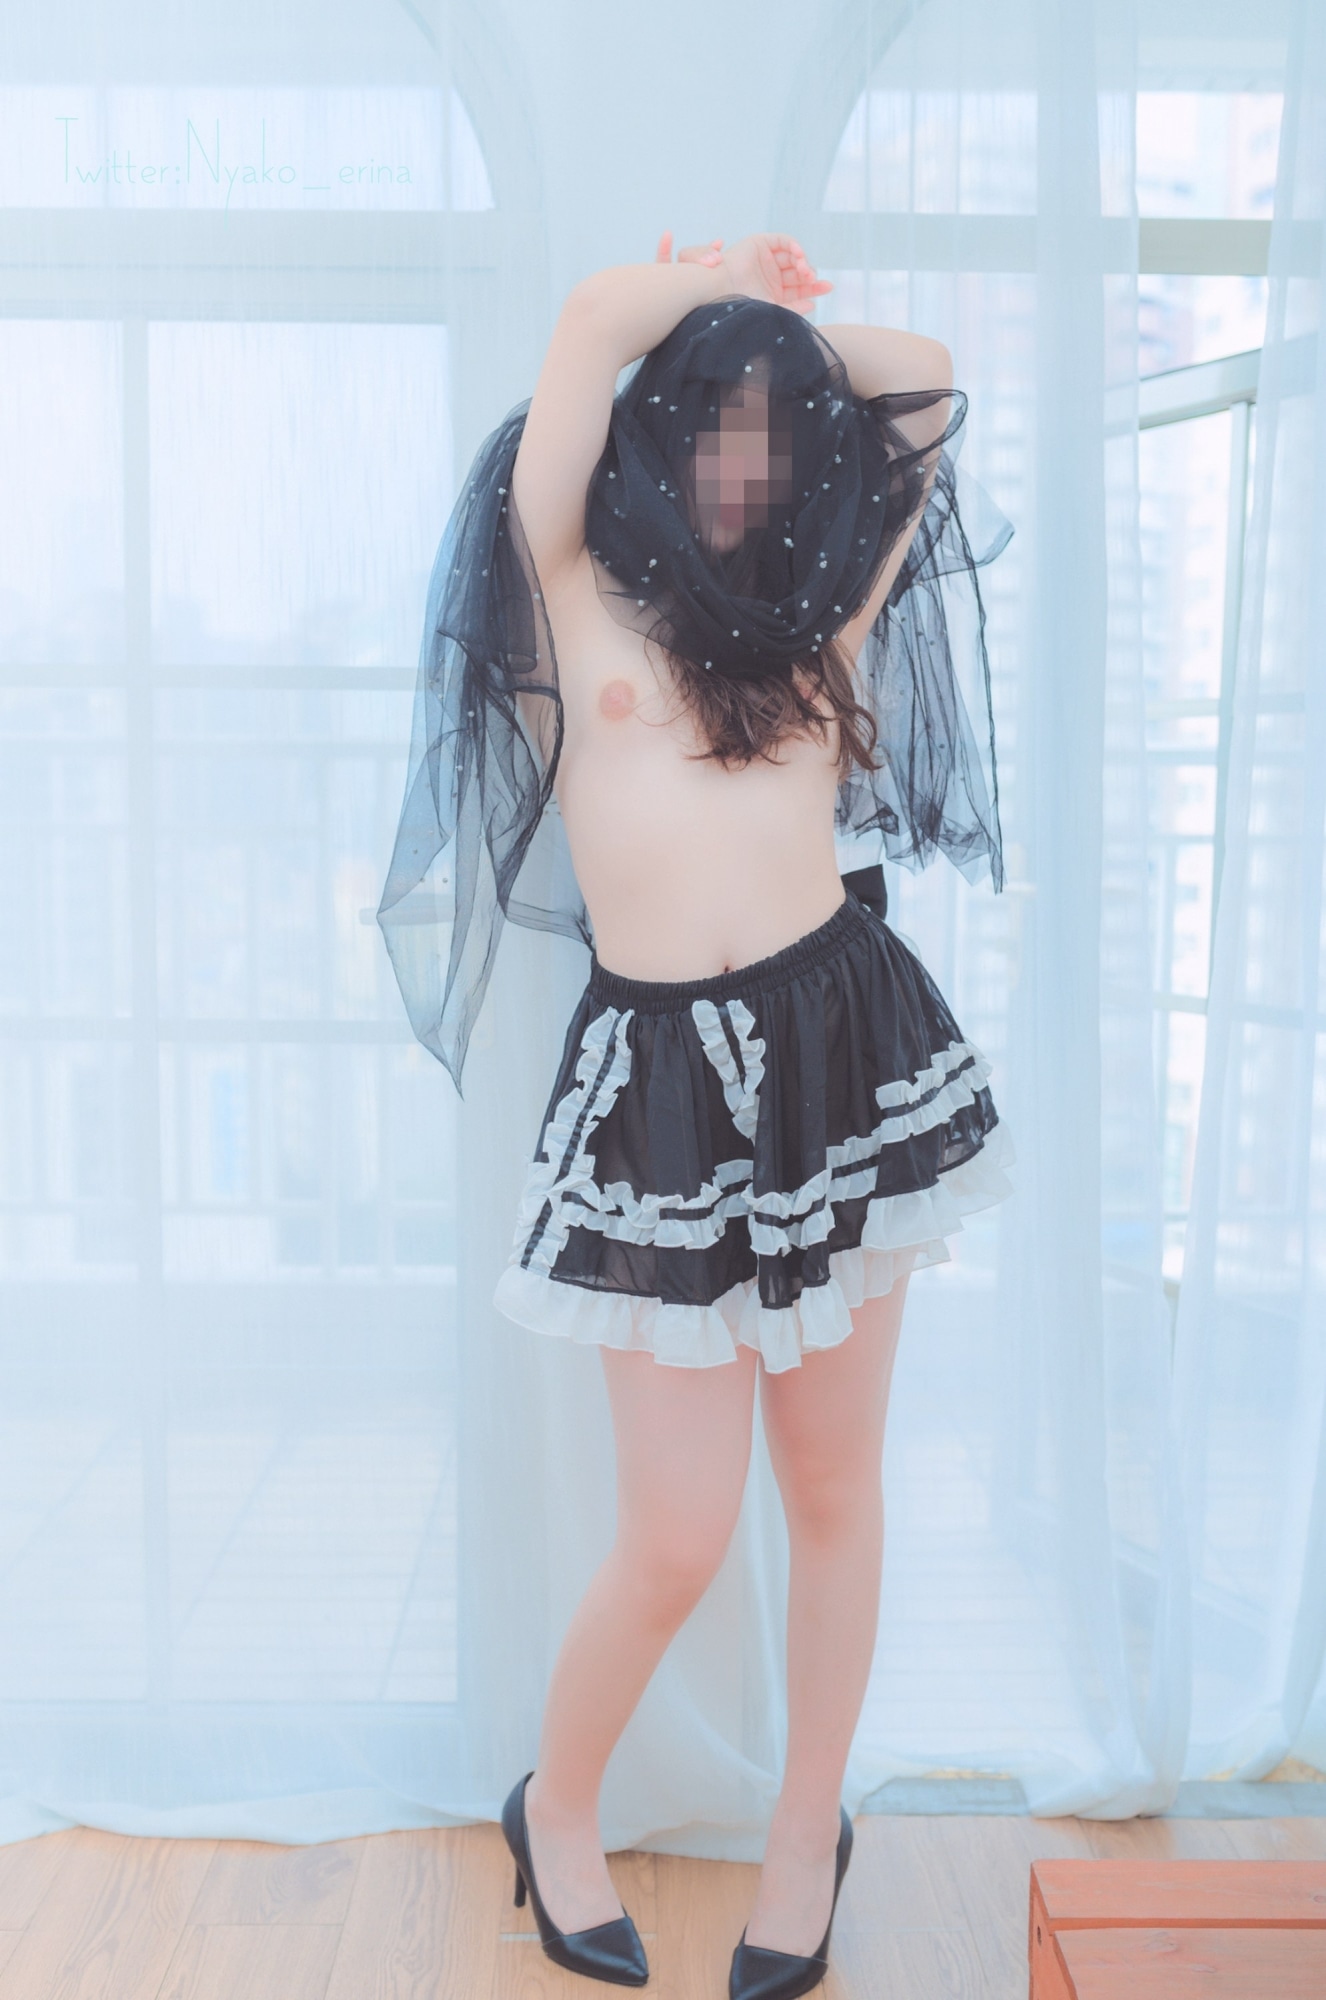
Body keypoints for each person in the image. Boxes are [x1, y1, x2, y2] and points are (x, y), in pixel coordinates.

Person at [378, 230, 1016, 1997]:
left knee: (832, 1491)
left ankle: (805, 1838)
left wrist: (780, 341)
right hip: (656, 1082)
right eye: (712, 426)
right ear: (653, 438)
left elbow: (923, 379)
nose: (745, 464)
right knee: (673, 1534)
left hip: (839, 1047)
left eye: (774, 435)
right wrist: (725, 283)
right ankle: (556, 1806)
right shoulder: (565, 581)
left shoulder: (822, 614)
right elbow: (591, 319)